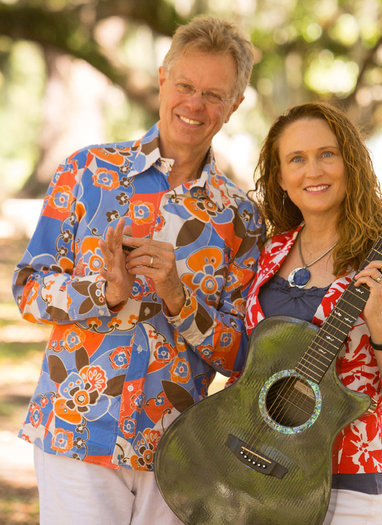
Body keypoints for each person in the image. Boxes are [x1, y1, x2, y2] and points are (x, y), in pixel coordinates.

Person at [12, 15, 263, 525]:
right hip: (75, 430)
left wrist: (179, 299)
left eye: (214, 95)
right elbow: (29, 289)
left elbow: (242, 356)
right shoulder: (86, 173)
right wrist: (102, 292)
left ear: (234, 106)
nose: (195, 104)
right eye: (186, 85)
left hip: (175, 449)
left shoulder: (243, 220)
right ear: (161, 78)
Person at [244, 102, 382, 525]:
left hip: (348, 473)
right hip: (260, 463)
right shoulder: (270, 254)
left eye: (326, 154)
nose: (313, 170)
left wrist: (378, 322)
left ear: (350, 163)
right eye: (297, 159)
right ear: (281, 177)